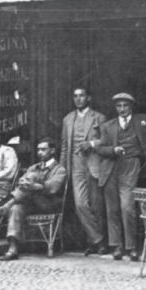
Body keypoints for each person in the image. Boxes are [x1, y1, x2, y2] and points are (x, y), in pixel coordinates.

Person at [96, 92, 146, 262]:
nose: (122, 109)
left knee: (127, 207)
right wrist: (112, 150)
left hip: (131, 165)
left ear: (131, 106)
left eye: (125, 106)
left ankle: (131, 247)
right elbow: (100, 148)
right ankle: (117, 246)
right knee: (112, 209)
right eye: (119, 106)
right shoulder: (108, 126)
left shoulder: (141, 121)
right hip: (111, 168)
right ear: (115, 108)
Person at [0, 137, 66, 261]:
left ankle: (8, 204)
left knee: (32, 177)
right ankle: (12, 249)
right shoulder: (33, 167)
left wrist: (37, 185)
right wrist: (31, 186)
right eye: (38, 150)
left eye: (43, 149)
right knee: (16, 208)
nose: (40, 152)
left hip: (48, 204)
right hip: (30, 202)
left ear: (52, 150)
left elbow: (53, 188)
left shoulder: (59, 169)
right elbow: (21, 183)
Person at [61, 87, 108, 256]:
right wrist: (63, 169)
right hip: (76, 165)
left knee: (96, 205)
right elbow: (65, 146)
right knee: (80, 204)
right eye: (75, 96)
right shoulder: (68, 119)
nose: (78, 99)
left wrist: (92, 144)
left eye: (82, 96)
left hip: (94, 163)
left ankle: (93, 243)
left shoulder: (99, 117)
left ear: (88, 98)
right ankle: (98, 239)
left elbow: (107, 139)